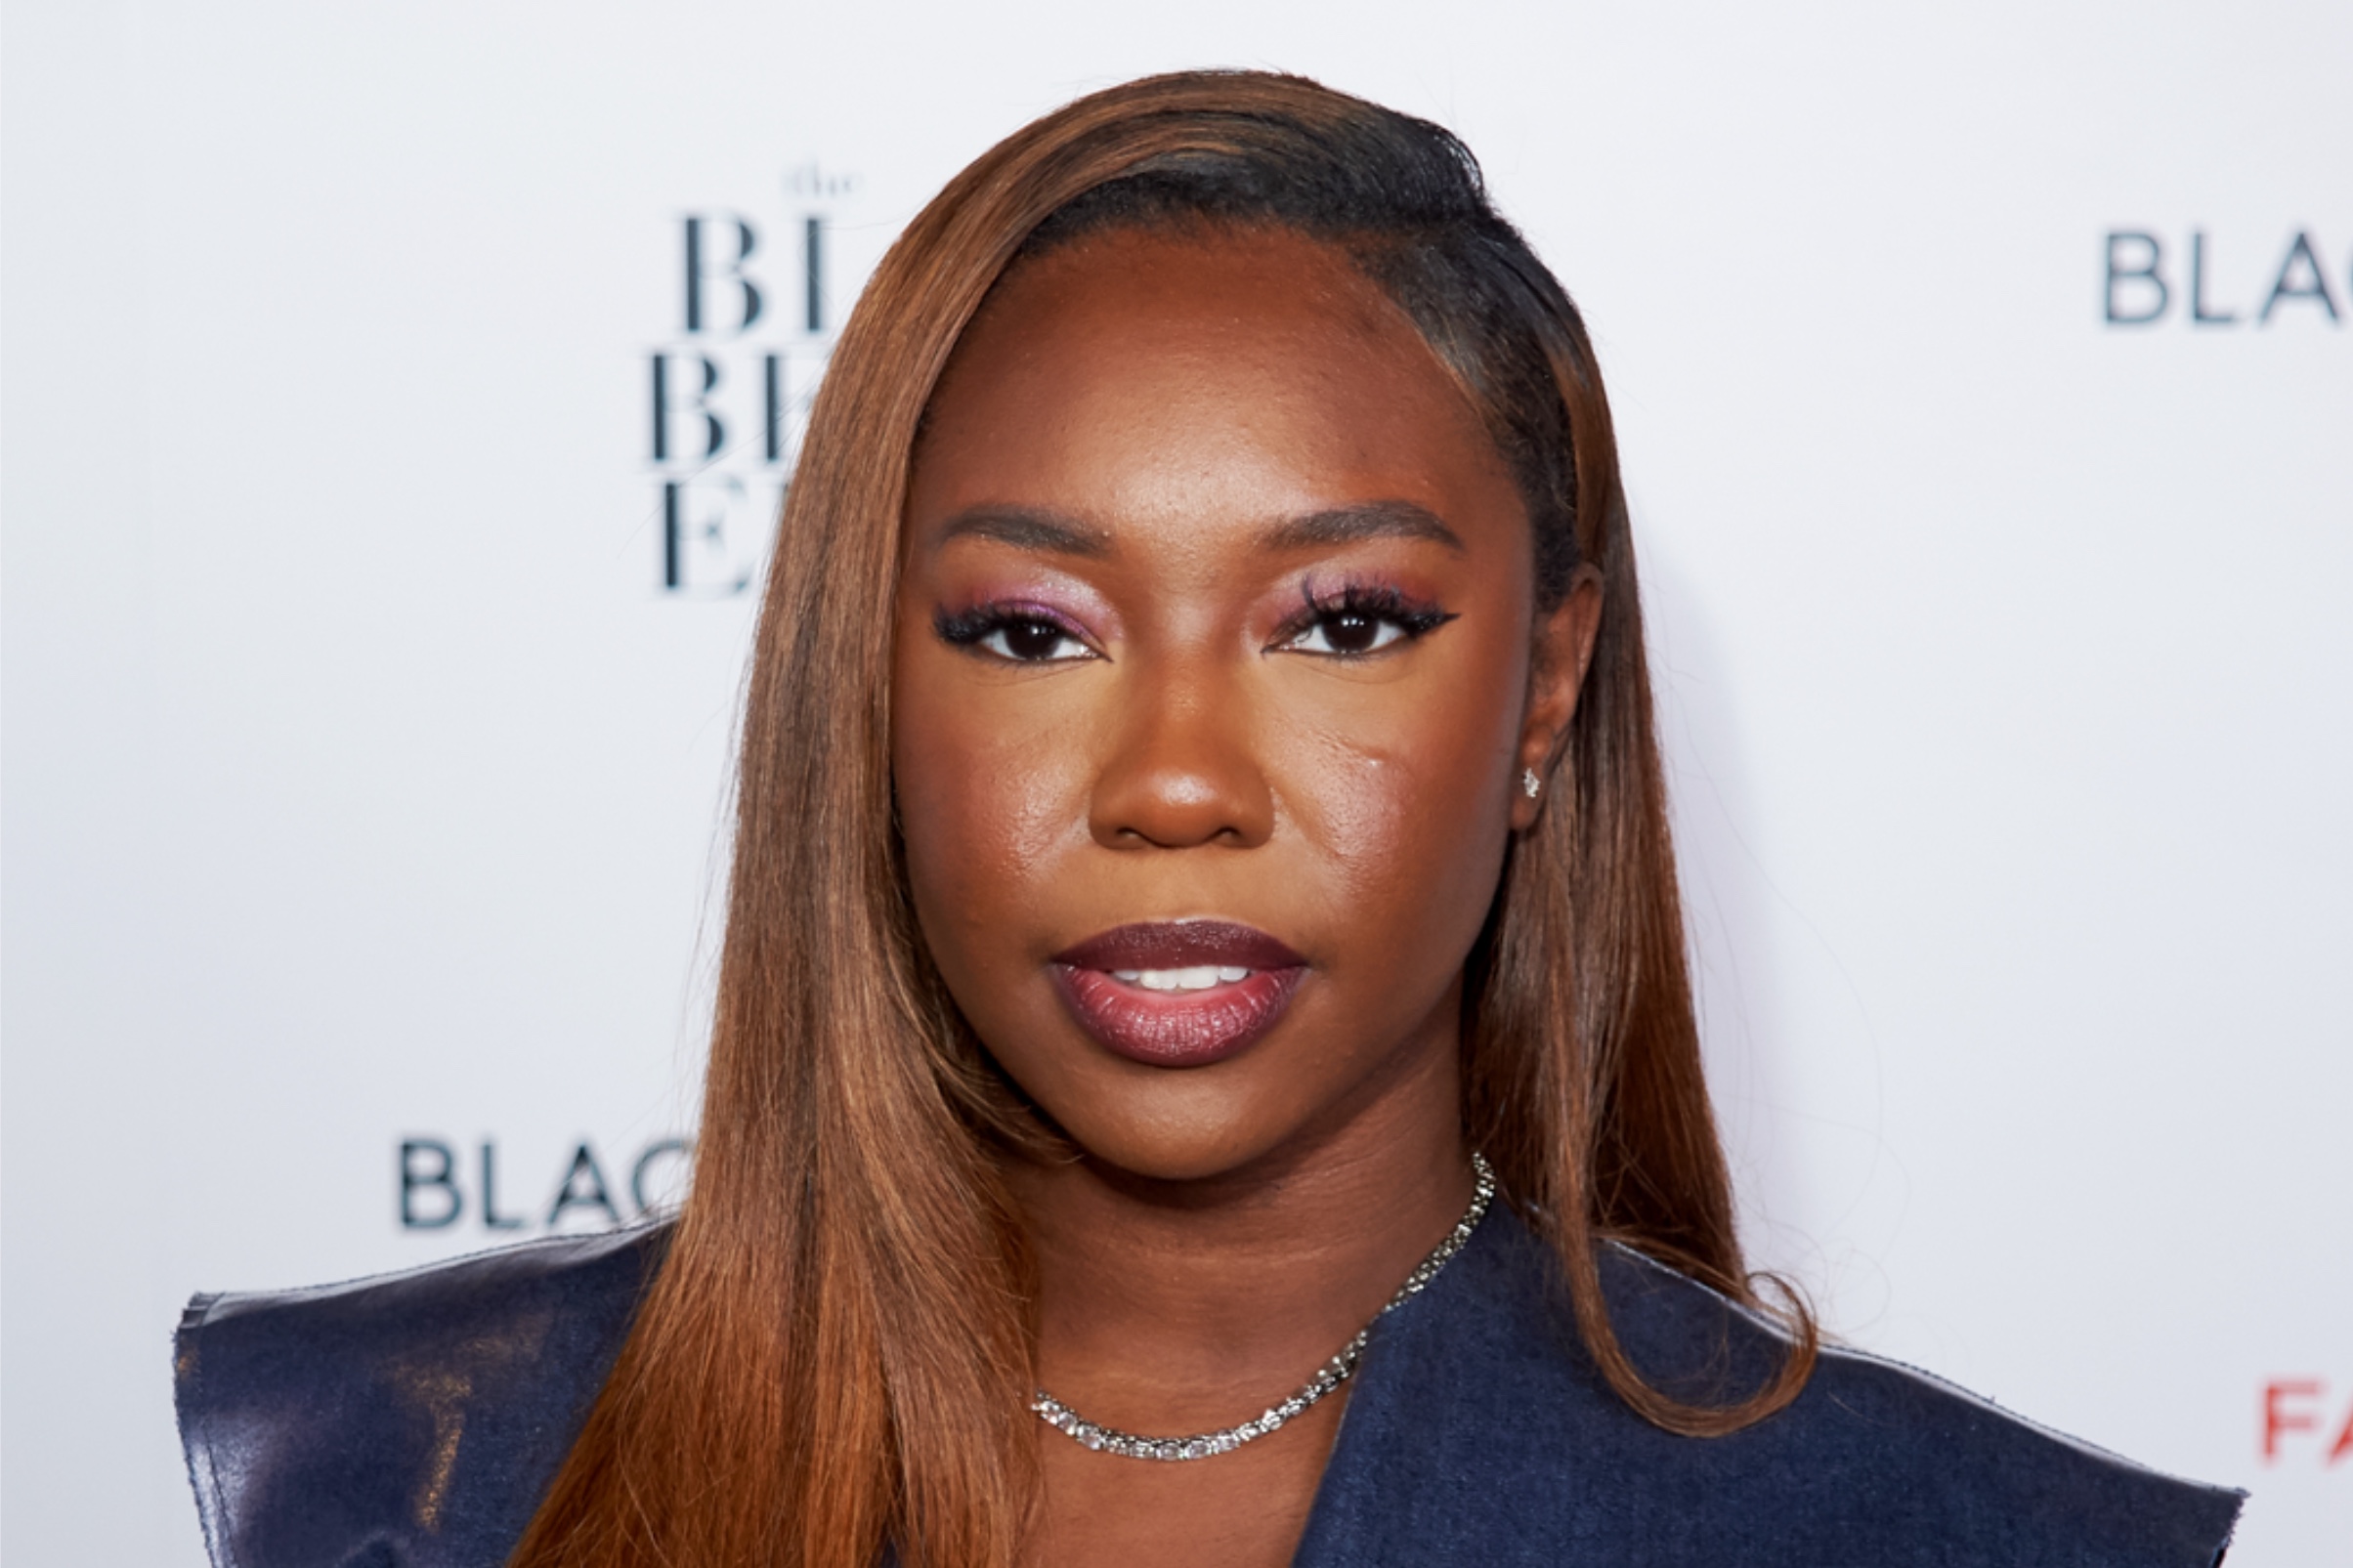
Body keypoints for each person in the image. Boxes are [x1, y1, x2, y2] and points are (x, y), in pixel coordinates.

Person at [171, 70, 2243, 1568]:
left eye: (1341, 621)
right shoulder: (397, 1479)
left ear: (1545, 683)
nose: (1174, 783)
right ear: (865, 686)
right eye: (1032, 630)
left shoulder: (1929, 1529)